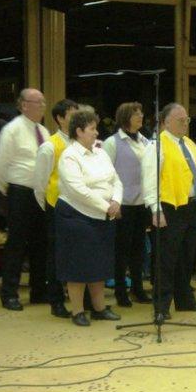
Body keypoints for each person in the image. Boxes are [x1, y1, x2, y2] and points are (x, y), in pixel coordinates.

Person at [142, 103, 196, 319]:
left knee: (188, 256)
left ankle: (185, 299)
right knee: (166, 259)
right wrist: (155, 209)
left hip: (190, 206)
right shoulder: (156, 146)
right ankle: (161, 306)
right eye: (180, 120)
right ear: (166, 122)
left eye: (187, 120)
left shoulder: (189, 144)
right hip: (168, 208)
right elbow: (150, 181)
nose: (185, 124)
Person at [55, 110, 122, 326]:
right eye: (92, 128)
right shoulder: (69, 156)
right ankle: (77, 311)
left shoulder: (100, 152)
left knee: (99, 265)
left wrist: (116, 201)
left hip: (103, 216)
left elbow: (116, 180)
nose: (96, 132)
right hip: (76, 217)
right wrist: (107, 206)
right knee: (78, 266)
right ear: (79, 131)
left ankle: (100, 308)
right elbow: (78, 190)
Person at [0, 88, 49, 311]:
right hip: (19, 192)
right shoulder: (12, 130)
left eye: (44, 102)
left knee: (40, 244)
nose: (43, 106)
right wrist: (8, 190)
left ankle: (38, 291)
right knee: (16, 245)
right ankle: (9, 294)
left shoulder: (43, 130)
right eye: (38, 102)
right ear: (24, 105)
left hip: (39, 194)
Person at [103, 102, 152, 307]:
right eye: (136, 113)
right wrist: (113, 202)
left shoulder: (146, 141)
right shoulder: (112, 143)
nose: (141, 116)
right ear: (125, 117)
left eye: (141, 112)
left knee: (139, 249)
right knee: (121, 251)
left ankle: (138, 289)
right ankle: (121, 291)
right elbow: (106, 175)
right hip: (122, 204)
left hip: (142, 203)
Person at [33, 98, 78, 318]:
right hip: (57, 207)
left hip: (80, 207)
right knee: (56, 256)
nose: (76, 118)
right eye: (71, 114)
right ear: (59, 119)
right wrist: (49, 207)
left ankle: (81, 300)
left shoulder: (82, 143)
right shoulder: (49, 146)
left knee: (77, 254)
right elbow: (40, 184)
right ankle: (56, 301)